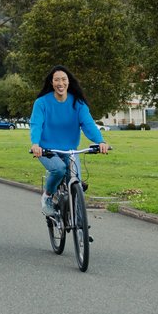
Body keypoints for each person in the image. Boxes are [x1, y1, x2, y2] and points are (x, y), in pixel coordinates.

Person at [29, 65, 109, 216]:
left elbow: (88, 124)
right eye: (57, 80)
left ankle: (80, 226)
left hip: (70, 150)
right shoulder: (41, 103)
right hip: (47, 150)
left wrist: (100, 141)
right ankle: (47, 197)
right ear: (51, 83)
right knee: (58, 169)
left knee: (75, 181)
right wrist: (35, 144)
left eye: (64, 79)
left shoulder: (78, 103)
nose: (61, 83)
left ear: (69, 82)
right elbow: (36, 125)